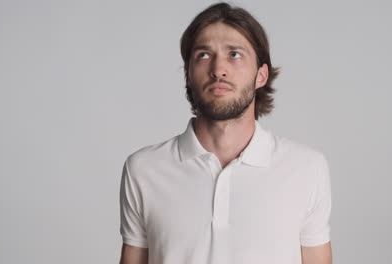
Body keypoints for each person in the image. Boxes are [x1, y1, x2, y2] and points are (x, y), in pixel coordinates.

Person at [119, 2, 333, 264]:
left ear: (261, 75)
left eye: (235, 54)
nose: (218, 69)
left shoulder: (307, 168)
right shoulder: (144, 169)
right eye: (204, 55)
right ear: (188, 73)